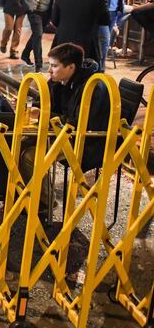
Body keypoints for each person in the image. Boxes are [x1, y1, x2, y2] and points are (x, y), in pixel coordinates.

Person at [20, 43, 110, 213]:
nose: (49, 70)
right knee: (19, 143)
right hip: (63, 133)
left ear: (71, 67)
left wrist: (44, 115)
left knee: (29, 156)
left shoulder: (92, 88)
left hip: (87, 141)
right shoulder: (59, 81)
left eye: (54, 66)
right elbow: (42, 102)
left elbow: (79, 124)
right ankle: (27, 194)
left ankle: (45, 203)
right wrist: (38, 110)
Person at [51, 0, 110, 65]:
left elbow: (55, 21)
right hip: (87, 46)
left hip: (62, 43)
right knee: (87, 74)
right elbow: (105, 21)